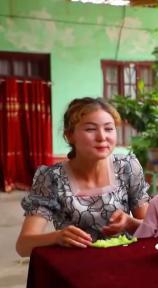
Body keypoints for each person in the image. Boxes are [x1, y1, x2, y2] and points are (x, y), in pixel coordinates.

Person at [16, 97, 150, 257]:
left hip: (126, 262)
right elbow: (23, 245)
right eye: (90, 129)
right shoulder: (51, 178)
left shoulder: (127, 167)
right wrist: (57, 237)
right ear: (70, 136)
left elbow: (151, 228)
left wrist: (130, 223)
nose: (102, 137)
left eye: (109, 129)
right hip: (75, 269)